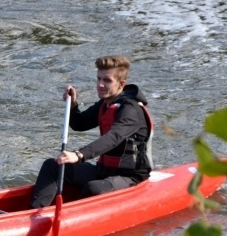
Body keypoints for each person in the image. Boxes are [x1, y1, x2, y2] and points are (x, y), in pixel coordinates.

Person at [29, 55, 154, 208]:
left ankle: (70, 220)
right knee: (53, 166)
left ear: (121, 84)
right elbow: (80, 124)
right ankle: (35, 215)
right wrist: (73, 106)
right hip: (103, 171)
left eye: (107, 80)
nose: (100, 85)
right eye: (98, 79)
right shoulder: (106, 104)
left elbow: (113, 137)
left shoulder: (131, 110)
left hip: (130, 178)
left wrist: (79, 155)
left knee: (93, 188)